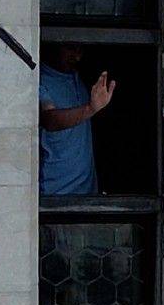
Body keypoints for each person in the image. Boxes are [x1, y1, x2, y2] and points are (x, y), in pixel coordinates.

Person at [38, 45, 114, 195]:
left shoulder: (80, 79)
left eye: (80, 51)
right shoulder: (39, 79)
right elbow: (50, 119)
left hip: (88, 194)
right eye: (71, 49)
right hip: (55, 195)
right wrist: (90, 109)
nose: (77, 57)